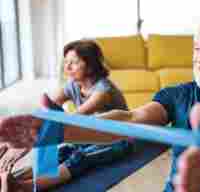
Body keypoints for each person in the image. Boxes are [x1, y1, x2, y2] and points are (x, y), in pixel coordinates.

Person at [0, 15, 200, 192]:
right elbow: (130, 119)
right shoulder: (179, 95)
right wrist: (59, 128)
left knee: (82, 158)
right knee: (68, 152)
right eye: (197, 49)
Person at [0, 40, 133, 191]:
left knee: (80, 158)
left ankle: (24, 187)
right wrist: (16, 139)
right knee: (62, 152)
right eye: (66, 62)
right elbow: (46, 112)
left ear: (90, 66)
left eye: (74, 62)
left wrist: (31, 140)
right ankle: (13, 178)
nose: (67, 67)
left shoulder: (103, 91)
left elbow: (71, 121)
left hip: (118, 139)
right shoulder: (73, 85)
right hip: (90, 136)